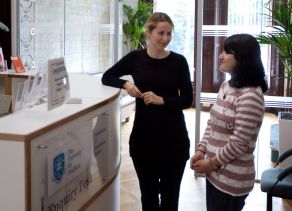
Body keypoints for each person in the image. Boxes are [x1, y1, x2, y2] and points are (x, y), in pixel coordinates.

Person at [101, 12, 193, 211]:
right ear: (149, 33)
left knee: (170, 200)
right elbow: (107, 77)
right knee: (149, 198)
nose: (165, 39)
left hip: (174, 141)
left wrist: (163, 100)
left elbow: (187, 100)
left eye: (169, 34)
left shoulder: (179, 62)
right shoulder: (135, 58)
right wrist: (125, 83)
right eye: (161, 33)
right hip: (144, 141)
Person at [190, 33, 268, 211]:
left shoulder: (251, 95)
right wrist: (202, 150)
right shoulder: (226, 86)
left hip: (232, 180)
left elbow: (239, 143)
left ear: (243, 59)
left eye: (227, 52)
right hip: (215, 173)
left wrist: (211, 163)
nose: (220, 56)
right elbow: (212, 123)